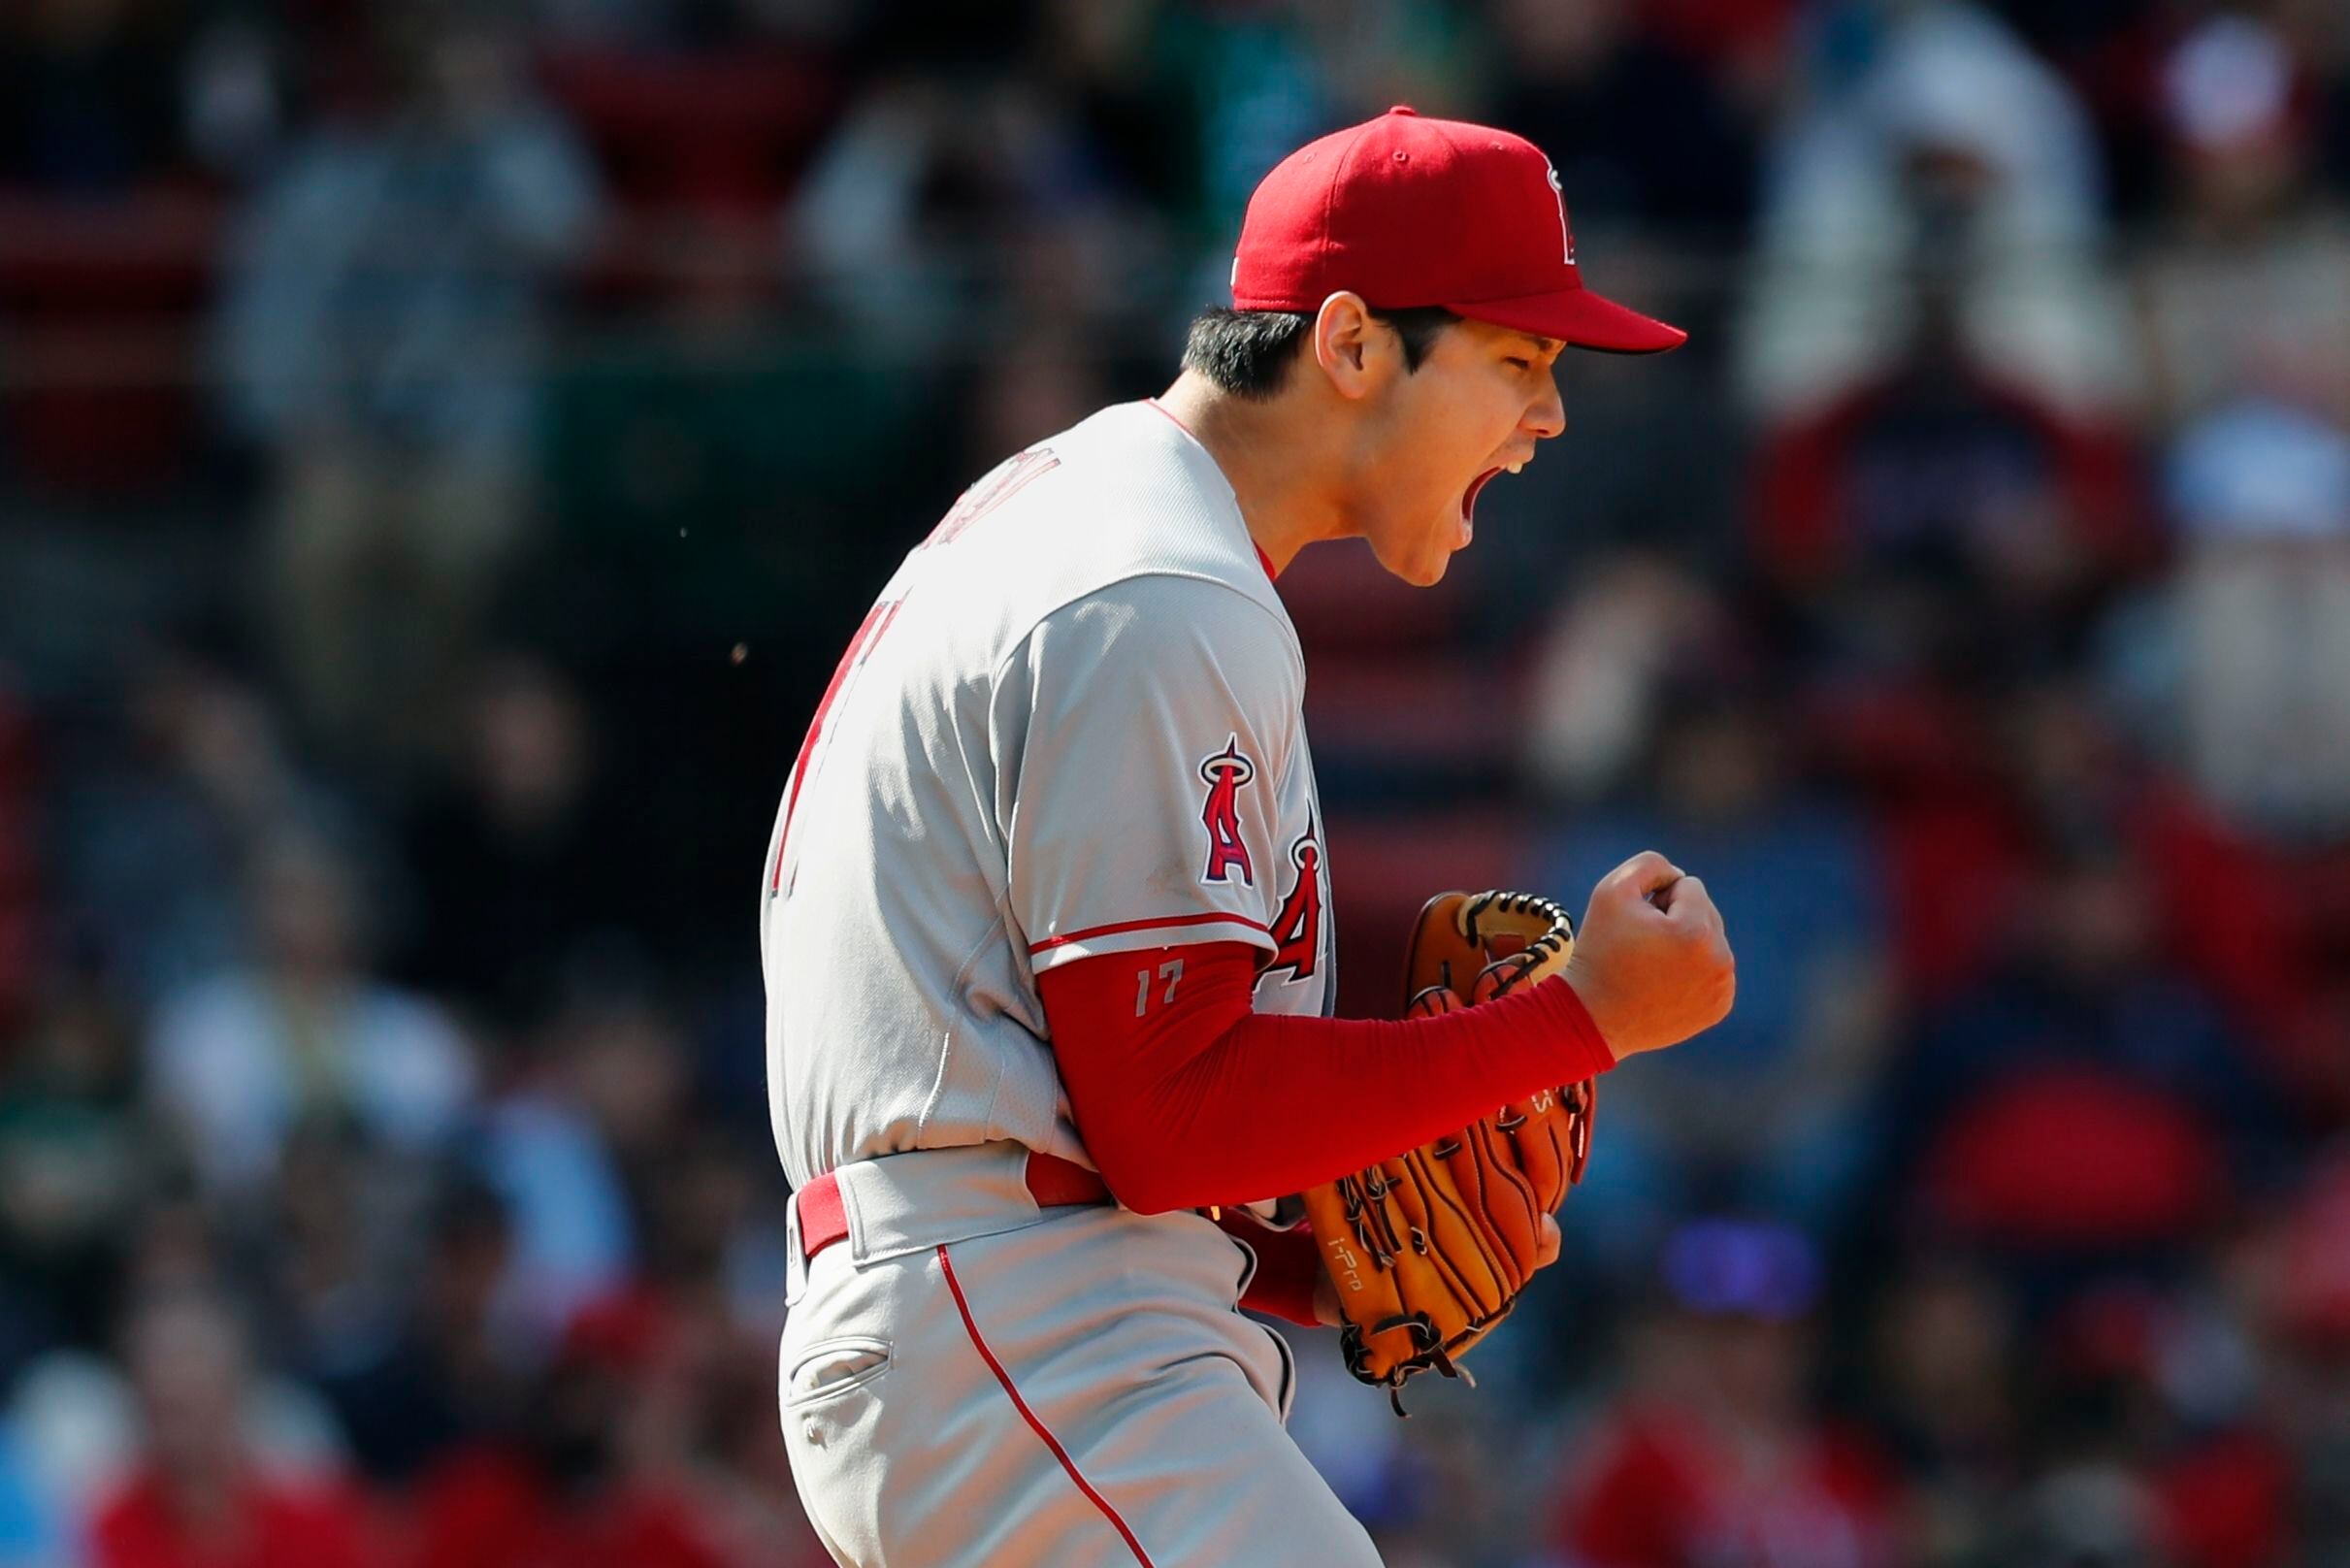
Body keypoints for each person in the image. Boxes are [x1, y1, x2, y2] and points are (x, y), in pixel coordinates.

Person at [761, 107, 1735, 1566]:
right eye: (1516, 363)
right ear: (1348, 345)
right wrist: (1580, 1021)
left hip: (1001, 1317)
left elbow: (1116, 1114)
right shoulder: (1161, 585)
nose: (1548, 419)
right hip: (1030, 1337)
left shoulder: (1095, 515)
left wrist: (1306, 1268)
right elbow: (1172, 1119)